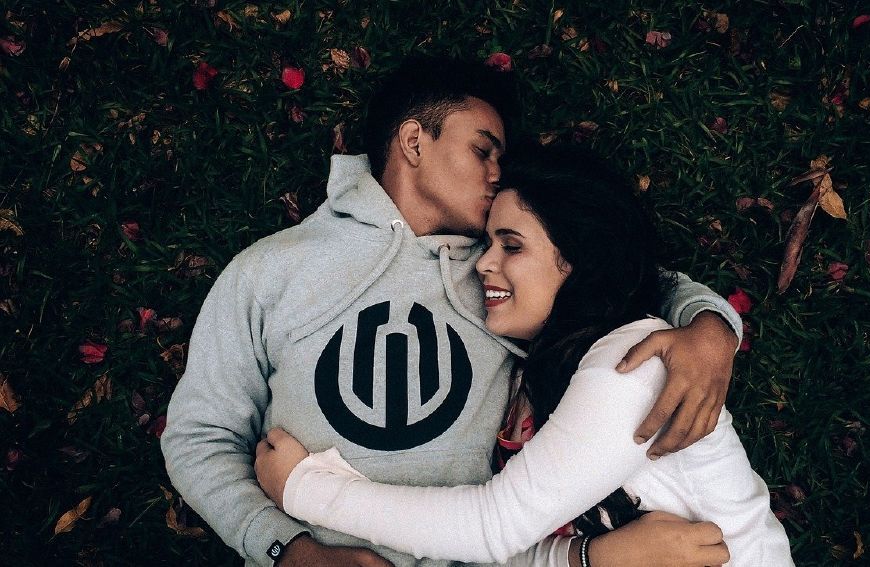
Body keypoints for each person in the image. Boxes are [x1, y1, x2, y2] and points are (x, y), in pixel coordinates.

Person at [161, 56, 743, 566]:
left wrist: (711, 329)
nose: (498, 174)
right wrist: (283, 548)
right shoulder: (272, 270)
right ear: (414, 141)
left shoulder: (504, 274)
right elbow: (200, 437)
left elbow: (619, 269)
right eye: (482, 150)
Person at [255, 143, 793, 566]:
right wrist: (592, 558)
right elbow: (510, 551)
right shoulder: (535, 379)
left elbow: (492, 528)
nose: (483, 264)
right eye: (489, 243)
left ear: (580, 259)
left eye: (511, 245)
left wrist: (306, 489)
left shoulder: (635, 366)